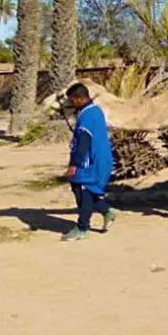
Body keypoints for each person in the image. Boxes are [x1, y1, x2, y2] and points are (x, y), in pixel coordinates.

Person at [61, 83, 115, 242]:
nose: (70, 103)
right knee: (88, 191)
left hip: (91, 161)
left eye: (72, 100)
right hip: (100, 159)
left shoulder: (87, 115)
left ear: (79, 98)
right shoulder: (94, 110)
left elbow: (84, 141)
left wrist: (74, 165)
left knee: (83, 193)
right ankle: (106, 211)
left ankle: (82, 228)